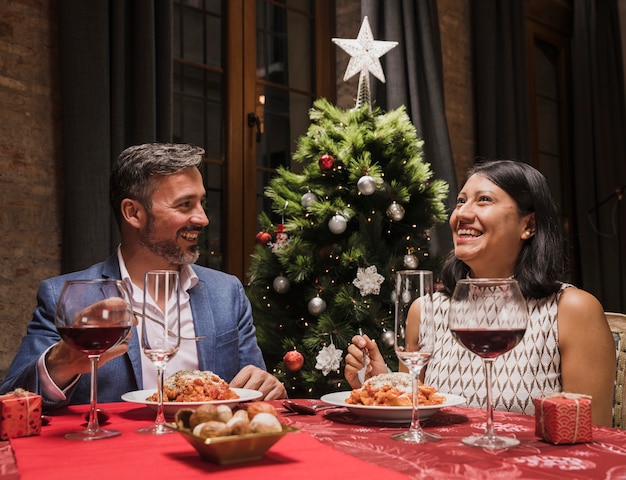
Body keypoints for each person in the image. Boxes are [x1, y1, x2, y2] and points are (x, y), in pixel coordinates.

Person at [0, 143, 286, 410]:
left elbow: (254, 391)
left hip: (207, 456)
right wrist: (61, 363)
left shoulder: (227, 292)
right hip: (114, 460)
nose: (202, 219)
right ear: (133, 213)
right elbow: (12, 404)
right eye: (185, 205)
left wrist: (268, 388)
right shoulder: (64, 295)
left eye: (201, 203)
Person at [345, 160, 616, 426]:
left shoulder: (570, 310)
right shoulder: (425, 310)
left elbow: (593, 438)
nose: (462, 214)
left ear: (529, 226)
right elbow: (417, 418)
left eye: (484, 199)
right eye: (461, 201)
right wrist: (382, 382)